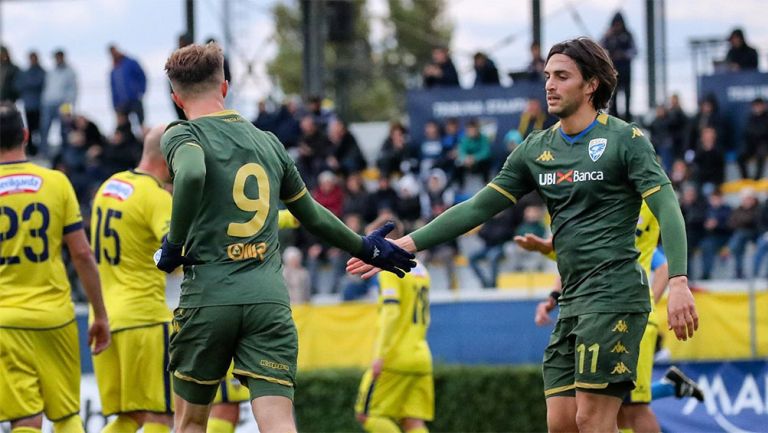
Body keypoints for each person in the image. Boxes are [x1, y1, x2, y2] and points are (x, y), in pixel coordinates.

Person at [349, 37, 698, 433]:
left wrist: (679, 280)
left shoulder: (626, 140)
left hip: (615, 295)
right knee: (562, 423)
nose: (549, 84)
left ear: (591, 85)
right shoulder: (536, 149)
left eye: (562, 76)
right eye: (547, 75)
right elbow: (478, 207)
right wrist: (403, 244)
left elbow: (669, 206)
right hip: (573, 301)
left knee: (594, 419)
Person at [154, 42, 414, 433]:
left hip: (209, 297)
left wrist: (172, 247)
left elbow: (190, 174)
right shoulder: (269, 142)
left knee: (190, 422)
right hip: (268, 300)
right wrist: (365, 246)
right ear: (224, 87)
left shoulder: (182, 133)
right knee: (278, 422)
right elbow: (311, 214)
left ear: (176, 98)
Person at [517, 200, 705, 433]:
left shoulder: (634, 207)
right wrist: (554, 293)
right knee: (610, 407)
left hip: (626, 312)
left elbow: (664, 267)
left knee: (634, 407)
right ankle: (669, 387)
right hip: (601, 313)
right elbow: (580, 259)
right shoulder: (603, 218)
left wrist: (650, 303)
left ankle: (669, 387)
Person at [0, 102, 111, 433]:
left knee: (25, 418)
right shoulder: (56, 183)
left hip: (6, 320)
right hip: (55, 316)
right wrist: (100, 314)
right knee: (65, 415)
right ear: (25, 134)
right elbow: (81, 254)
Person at [90, 125, 173, 433]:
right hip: (144, 320)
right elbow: (174, 255)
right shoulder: (156, 197)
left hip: (107, 318)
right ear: (170, 159)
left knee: (130, 418)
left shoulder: (109, 186)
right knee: (159, 417)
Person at [355, 219, 433, 433]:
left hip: (395, 356)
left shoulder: (390, 268)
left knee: (367, 415)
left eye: (371, 242)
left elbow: (391, 312)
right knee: (413, 422)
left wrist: (380, 354)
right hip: (421, 355)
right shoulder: (421, 269)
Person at [40, 49, 77, 158]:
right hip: (48, 103)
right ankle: (44, 152)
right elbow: (46, 88)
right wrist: (44, 101)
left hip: (63, 104)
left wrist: (69, 107)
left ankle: (65, 154)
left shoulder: (70, 72)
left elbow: (73, 90)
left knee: (64, 129)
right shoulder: (51, 72)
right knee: (45, 128)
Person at [601, 12, 636, 121]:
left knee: (627, 95)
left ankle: (628, 118)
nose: (617, 26)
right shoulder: (608, 36)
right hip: (612, 72)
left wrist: (623, 55)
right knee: (612, 96)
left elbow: (634, 51)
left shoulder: (628, 35)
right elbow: (600, 49)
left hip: (625, 71)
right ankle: (613, 117)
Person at [15, 51, 46, 155]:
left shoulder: (41, 72)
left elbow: (38, 83)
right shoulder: (25, 72)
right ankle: (31, 149)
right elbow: (18, 85)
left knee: (39, 128)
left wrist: (28, 84)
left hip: (39, 105)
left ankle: (40, 150)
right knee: (30, 128)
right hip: (28, 105)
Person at [108, 44, 147, 128]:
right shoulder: (114, 70)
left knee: (141, 124)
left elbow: (141, 76)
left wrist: (140, 91)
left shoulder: (130, 62)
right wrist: (115, 105)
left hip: (135, 99)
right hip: (121, 103)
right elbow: (113, 89)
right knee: (124, 127)